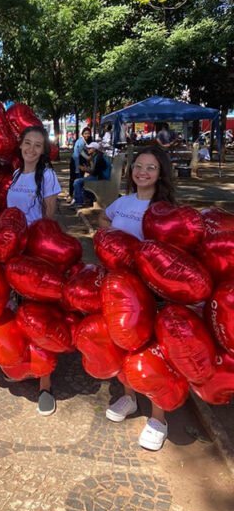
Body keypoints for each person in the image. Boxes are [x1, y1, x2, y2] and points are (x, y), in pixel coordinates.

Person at [98, 145, 176, 451]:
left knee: (156, 350)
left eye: (151, 168)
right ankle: (129, 397)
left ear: (161, 174)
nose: (142, 172)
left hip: (153, 291)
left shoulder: (164, 209)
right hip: (121, 290)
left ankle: (159, 418)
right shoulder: (123, 202)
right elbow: (104, 221)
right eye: (139, 166)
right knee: (124, 343)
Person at [5, 125, 62, 415]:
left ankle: (45, 384)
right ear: (21, 145)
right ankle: (24, 364)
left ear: (43, 150)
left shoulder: (48, 176)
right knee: (17, 314)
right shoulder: (14, 176)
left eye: (37, 145)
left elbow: (49, 222)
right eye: (27, 143)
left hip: (37, 259)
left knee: (40, 319)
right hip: (14, 257)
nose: (31, 149)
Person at [70, 142, 109, 207]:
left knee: (77, 182)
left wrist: (86, 169)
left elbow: (96, 172)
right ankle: (86, 199)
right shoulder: (96, 156)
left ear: (94, 149)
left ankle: (79, 202)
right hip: (99, 176)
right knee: (81, 180)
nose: (87, 149)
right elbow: (95, 170)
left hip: (101, 178)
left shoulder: (99, 158)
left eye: (89, 148)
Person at [69, 126, 92, 199]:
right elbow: (81, 152)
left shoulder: (83, 141)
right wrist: (88, 158)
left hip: (78, 162)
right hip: (76, 163)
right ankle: (73, 195)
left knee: (76, 178)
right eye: (85, 133)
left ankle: (74, 195)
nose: (87, 135)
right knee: (75, 178)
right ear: (82, 134)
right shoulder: (81, 141)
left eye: (88, 133)